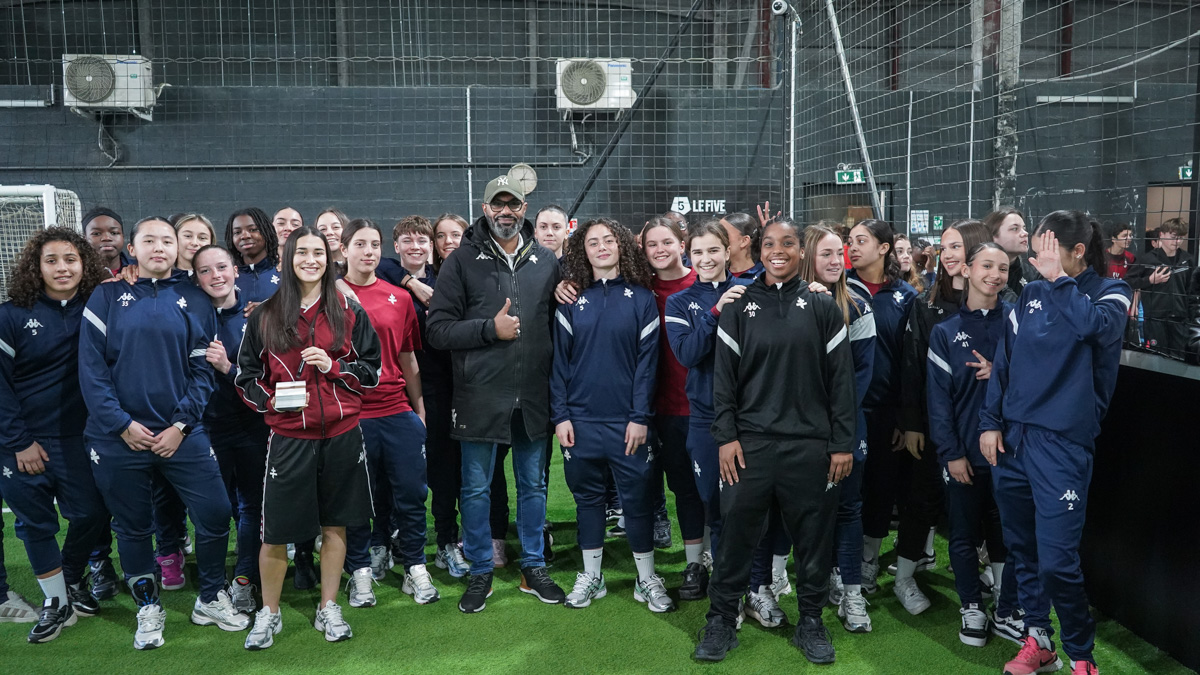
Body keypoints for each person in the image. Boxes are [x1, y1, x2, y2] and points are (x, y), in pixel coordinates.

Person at [693, 217, 856, 665]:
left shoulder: (824, 307)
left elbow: (842, 382)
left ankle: (811, 622)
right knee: (736, 539)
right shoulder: (738, 305)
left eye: (787, 243)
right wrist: (726, 438)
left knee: (813, 541)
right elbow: (722, 382)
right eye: (769, 243)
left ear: (800, 251)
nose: (778, 250)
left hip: (811, 447)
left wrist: (842, 443)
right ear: (759, 250)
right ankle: (721, 620)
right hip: (750, 447)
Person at [79, 216, 243, 650]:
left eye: (166, 240)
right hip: (118, 439)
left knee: (215, 513)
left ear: (178, 249)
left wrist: (180, 425)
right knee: (133, 527)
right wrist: (121, 425)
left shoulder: (195, 296)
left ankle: (210, 596)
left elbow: (201, 370)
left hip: (182, 435)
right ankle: (147, 608)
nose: (158, 247)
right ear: (132, 248)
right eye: (148, 240)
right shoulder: (107, 294)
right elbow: (92, 371)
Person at [981, 210, 1131, 675]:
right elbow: (1004, 364)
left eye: (1047, 250)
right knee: (1022, 552)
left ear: (1077, 251)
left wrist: (1058, 282)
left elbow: (1098, 330)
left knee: (1057, 564)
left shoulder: (1110, 292)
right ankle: (1037, 640)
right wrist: (990, 421)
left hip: (1063, 447)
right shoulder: (1029, 299)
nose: (1037, 260)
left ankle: (1082, 657)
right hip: (1014, 442)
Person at [235, 225, 381, 649]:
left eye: (318, 252)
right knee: (275, 531)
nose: (311, 260)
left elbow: (372, 373)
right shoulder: (264, 316)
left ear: (329, 256)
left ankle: (328, 606)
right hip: (289, 438)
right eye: (302, 253)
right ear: (288, 258)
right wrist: (271, 403)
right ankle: (270, 613)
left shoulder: (349, 310)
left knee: (335, 524)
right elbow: (246, 378)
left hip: (342, 433)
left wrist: (334, 368)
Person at [426, 175, 565, 613]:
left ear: (525, 208)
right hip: (479, 397)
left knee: (533, 486)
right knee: (476, 489)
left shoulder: (546, 260)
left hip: (533, 397)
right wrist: (490, 329)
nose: (506, 212)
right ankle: (480, 570)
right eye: (497, 205)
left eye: (514, 205)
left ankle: (534, 566)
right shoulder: (461, 261)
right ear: (485, 209)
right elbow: (437, 330)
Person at [552, 217, 673, 612]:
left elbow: (647, 365)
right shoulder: (572, 300)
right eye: (592, 242)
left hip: (628, 423)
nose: (601, 247)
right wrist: (561, 415)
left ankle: (646, 578)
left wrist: (639, 416)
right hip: (581, 422)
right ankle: (592, 577)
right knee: (588, 501)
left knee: (637, 501)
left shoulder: (641, 299)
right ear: (582, 252)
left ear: (622, 246)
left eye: (608, 240)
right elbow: (559, 364)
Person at [0, 227, 109, 642]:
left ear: (84, 263)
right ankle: (56, 601)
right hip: (22, 441)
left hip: (78, 436)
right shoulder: (10, 315)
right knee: (36, 523)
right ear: (36, 266)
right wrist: (18, 442)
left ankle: (71, 578)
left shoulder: (100, 307)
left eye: (70, 259)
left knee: (91, 513)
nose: (62, 268)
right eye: (51, 261)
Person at [892, 220, 992, 616]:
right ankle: (903, 578)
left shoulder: (1002, 303)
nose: (949, 255)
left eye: (956, 247)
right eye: (944, 247)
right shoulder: (925, 304)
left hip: (981, 428)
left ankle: (992, 583)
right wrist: (913, 423)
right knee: (922, 499)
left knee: (983, 509)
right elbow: (912, 368)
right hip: (934, 428)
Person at [926, 241, 1021, 648]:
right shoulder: (945, 332)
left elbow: (1039, 382)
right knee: (963, 534)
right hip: (963, 454)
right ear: (966, 269)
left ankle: (1006, 605)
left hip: (1011, 455)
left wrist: (1001, 371)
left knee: (1008, 533)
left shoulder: (1018, 323)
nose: (995, 275)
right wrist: (951, 454)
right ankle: (971, 606)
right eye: (987, 265)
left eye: (1003, 268)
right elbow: (938, 402)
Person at [339, 219, 438, 607]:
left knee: (412, 495)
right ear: (343, 249)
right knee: (357, 499)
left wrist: (419, 409)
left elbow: (407, 356)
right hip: (351, 415)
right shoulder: (330, 298)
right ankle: (360, 572)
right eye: (360, 244)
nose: (369, 252)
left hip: (397, 411)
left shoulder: (399, 297)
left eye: (375, 245)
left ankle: (415, 566)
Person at [378, 214, 470, 578]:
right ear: (396, 245)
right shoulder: (384, 276)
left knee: (446, 469)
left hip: (445, 390)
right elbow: (371, 266)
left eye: (423, 241)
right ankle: (389, 538)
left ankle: (447, 540)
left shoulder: (446, 278)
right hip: (399, 392)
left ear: (432, 248)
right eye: (408, 241)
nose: (416, 247)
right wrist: (410, 283)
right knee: (396, 471)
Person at [664, 221, 753, 589]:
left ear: (728, 251)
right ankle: (724, 585)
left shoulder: (753, 292)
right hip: (704, 419)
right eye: (698, 252)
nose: (706, 259)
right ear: (688, 254)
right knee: (713, 505)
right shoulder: (679, 301)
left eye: (713, 250)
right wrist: (715, 312)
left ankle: (756, 583)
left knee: (747, 506)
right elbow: (688, 354)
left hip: (750, 417)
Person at [797, 224, 877, 634]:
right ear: (808, 256)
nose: (836, 261)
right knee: (807, 512)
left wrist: (835, 426)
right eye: (826, 254)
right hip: (798, 432)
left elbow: (860, 377)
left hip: (845, 429)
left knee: (847, 510)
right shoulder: (788, 302)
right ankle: (807, 585)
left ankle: (851, 593)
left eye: (839, 254)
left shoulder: (859, 305)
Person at [190, 244, 270, 615]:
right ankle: (211, 585)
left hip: (253, 425)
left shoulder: (259, 316)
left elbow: (268, 381)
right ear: (195, 277)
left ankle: (243, 581)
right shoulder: (190, 315)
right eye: (205, 271)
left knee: (253, 506)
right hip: (206, 429)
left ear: (236, 270)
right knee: (214, 510)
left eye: (221, 267)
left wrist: (228, 368)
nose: (215, 276)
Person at [845, 219, 918, 598]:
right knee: (842, 492)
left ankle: (868, 563)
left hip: (886, 413)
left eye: (862, 241)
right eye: (850, 241)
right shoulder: (835, 287)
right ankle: (838, 564)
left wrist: (905, 418)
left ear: (885, 248)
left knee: (879, 491)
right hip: (844, 411)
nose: (853, 247)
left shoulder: (906, 297)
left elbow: (909, 362)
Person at [641, 216, 707, 573]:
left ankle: (717, 557)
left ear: (682, 245)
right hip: (659, 409)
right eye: (652, 244)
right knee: (682, 489)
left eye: (667, 242)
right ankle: (695, 563)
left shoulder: (704, 283)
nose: (660, 250)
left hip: (702, 407)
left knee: (710, 490)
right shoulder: (639, 289)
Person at [1127, 218, 1195, 358]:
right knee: (1156, 359)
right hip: (1155, 320)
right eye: (1173, 237)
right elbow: (1127, 282)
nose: (1177, 242)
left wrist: (1191, 317)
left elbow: (1192, 290)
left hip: (1180, 320)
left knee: (1180, 360)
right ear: (1162, 235)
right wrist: (1150, 280)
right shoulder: (1147, 260)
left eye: (1181, 238)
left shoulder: (1187, 260)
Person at [224, 207, 280, 305]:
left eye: (253, 230)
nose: (245, 236)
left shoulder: (285, 271)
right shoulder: (226, 276)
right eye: (237, 232)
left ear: (267, 232)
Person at [984, 207, 1041, 296]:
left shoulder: (1032, 275)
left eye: (1024, 228)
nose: (1025, 233)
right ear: (993, 236)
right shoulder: (979, 274)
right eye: (1014, 229)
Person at [83, 207, 132, 278]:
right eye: (96, 234)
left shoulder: (139, 269)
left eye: (114, 233)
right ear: (85, 239)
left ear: (123, 236)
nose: (106, 238)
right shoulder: (78, 273)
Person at [718, 212, 762, 279]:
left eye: (724, 234)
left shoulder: (765, 277)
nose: (717, 239)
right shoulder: (715, 275)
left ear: (744, 241)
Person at [315, 208, 349, 273]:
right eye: (323, 229)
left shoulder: (358, 266)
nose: (329, 232)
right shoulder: (313, 268)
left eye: (336, 227)